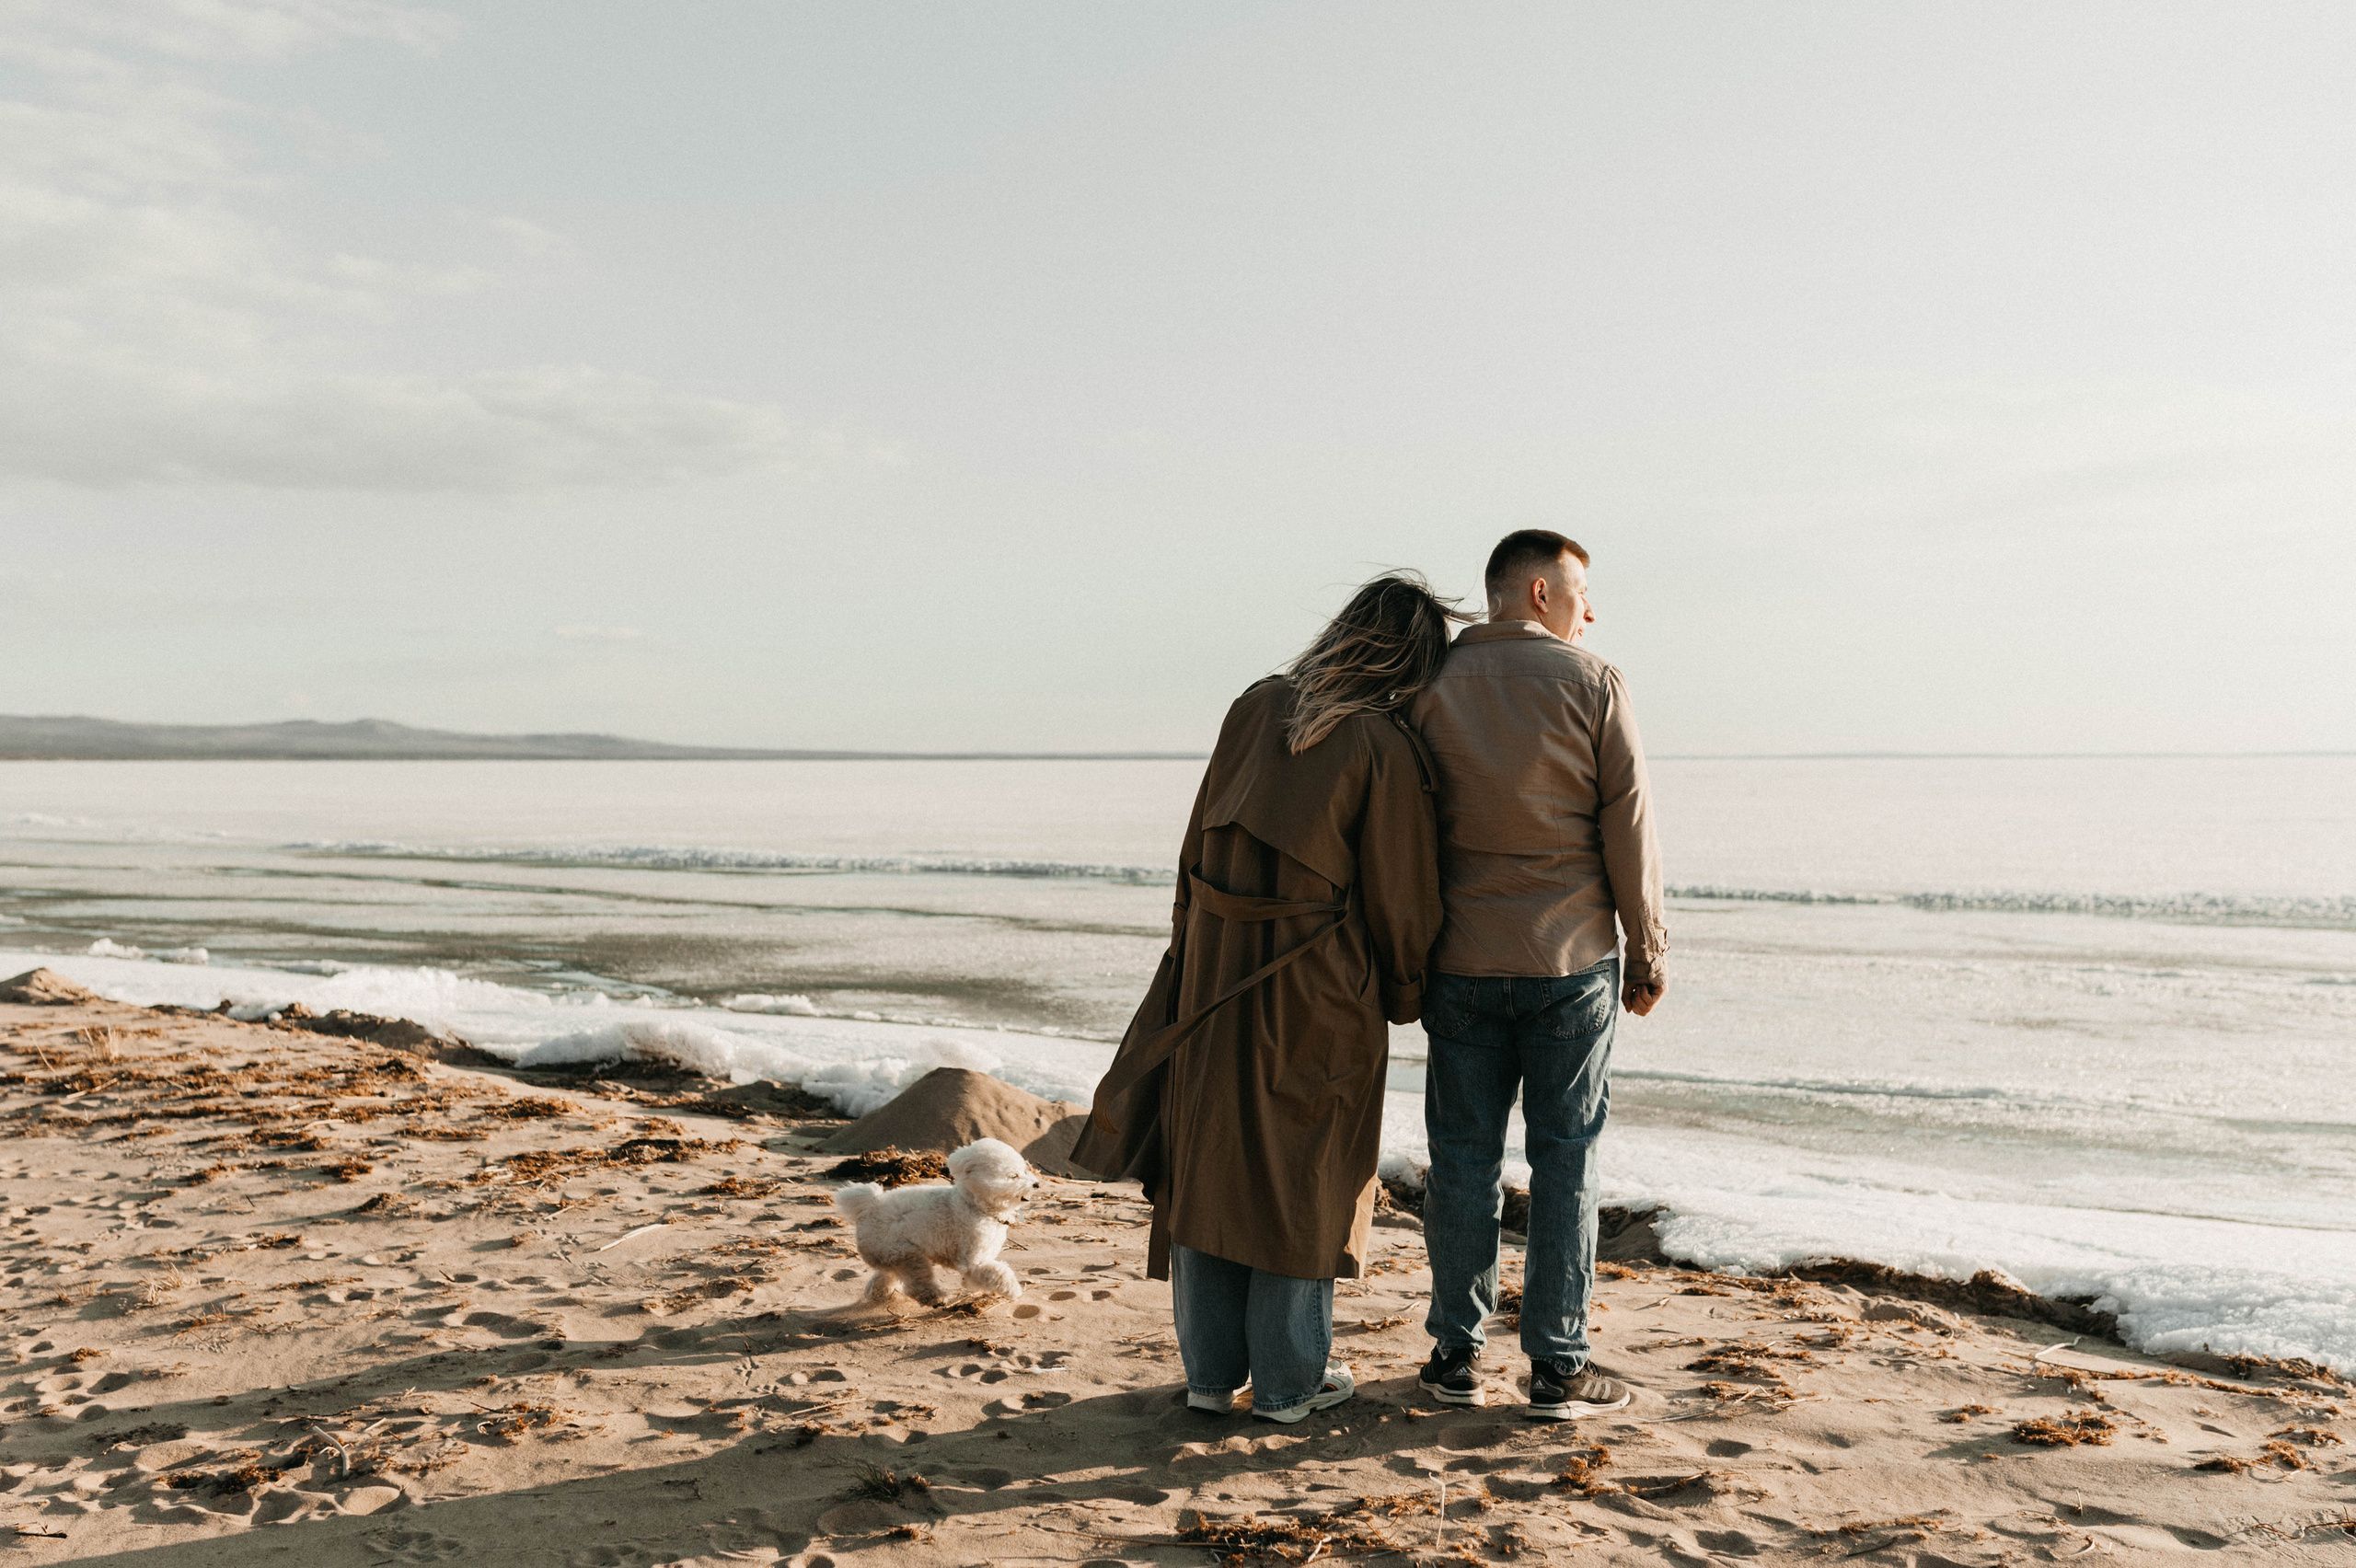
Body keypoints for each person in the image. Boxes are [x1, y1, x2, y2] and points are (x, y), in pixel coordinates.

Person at [1072, 573, 1462, 1423]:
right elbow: (1403, 901)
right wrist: (1405, 993)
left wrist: (1188, 949)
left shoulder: (1254, 706)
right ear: (1413, 664)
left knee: (1210, 1163)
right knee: (1303, 1178)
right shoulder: (1383, 746)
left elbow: (1193, 847)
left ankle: (1211, 1378)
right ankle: (1288, 1384)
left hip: (1213, 972)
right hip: (1319, 988)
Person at [1407, 529, 1668, 1419]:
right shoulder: (1593, 682)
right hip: (1569, 961)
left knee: (1462, 1160)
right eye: (1581, 591)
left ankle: (1454, 1356)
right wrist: (1649, 950)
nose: (1590, 611)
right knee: (1566, 1161)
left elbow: (1401, 826)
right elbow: (1628, 823)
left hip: (1460, 960)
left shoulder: (1428, 684)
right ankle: (1557, 1365)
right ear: (1540, 592)